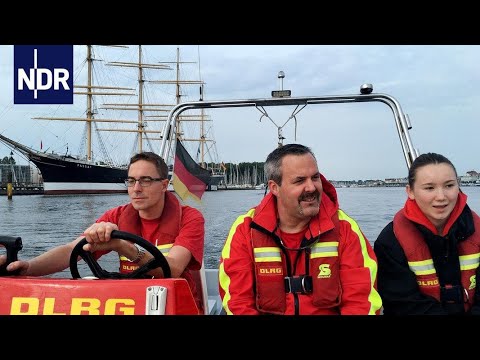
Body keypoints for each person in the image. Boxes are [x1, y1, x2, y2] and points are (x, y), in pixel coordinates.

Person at [0, 151, 205, 311]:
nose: (136, 188)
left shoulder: (190, 218)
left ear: (164, 185)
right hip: (130, 303)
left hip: (176, 305)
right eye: (131, 181)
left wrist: (122, 247)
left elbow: (173, 269)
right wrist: (27, 267)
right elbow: (72, 251)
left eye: (145, 180)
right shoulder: (115, 216)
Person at [218, 143, 382, 315]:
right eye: (300, 180)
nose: (311, 187)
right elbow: (238, 302)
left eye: (315, 177)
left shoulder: (345, 228)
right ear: (274, 188)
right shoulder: (245, 230)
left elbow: (362, 302)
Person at [374, 152, 480, 315]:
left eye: (449, 185)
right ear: (410, 191)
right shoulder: (389, 241)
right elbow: (402, 305)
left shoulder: (477, 231)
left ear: (458, 186)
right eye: (429, 188)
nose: (441, 197)